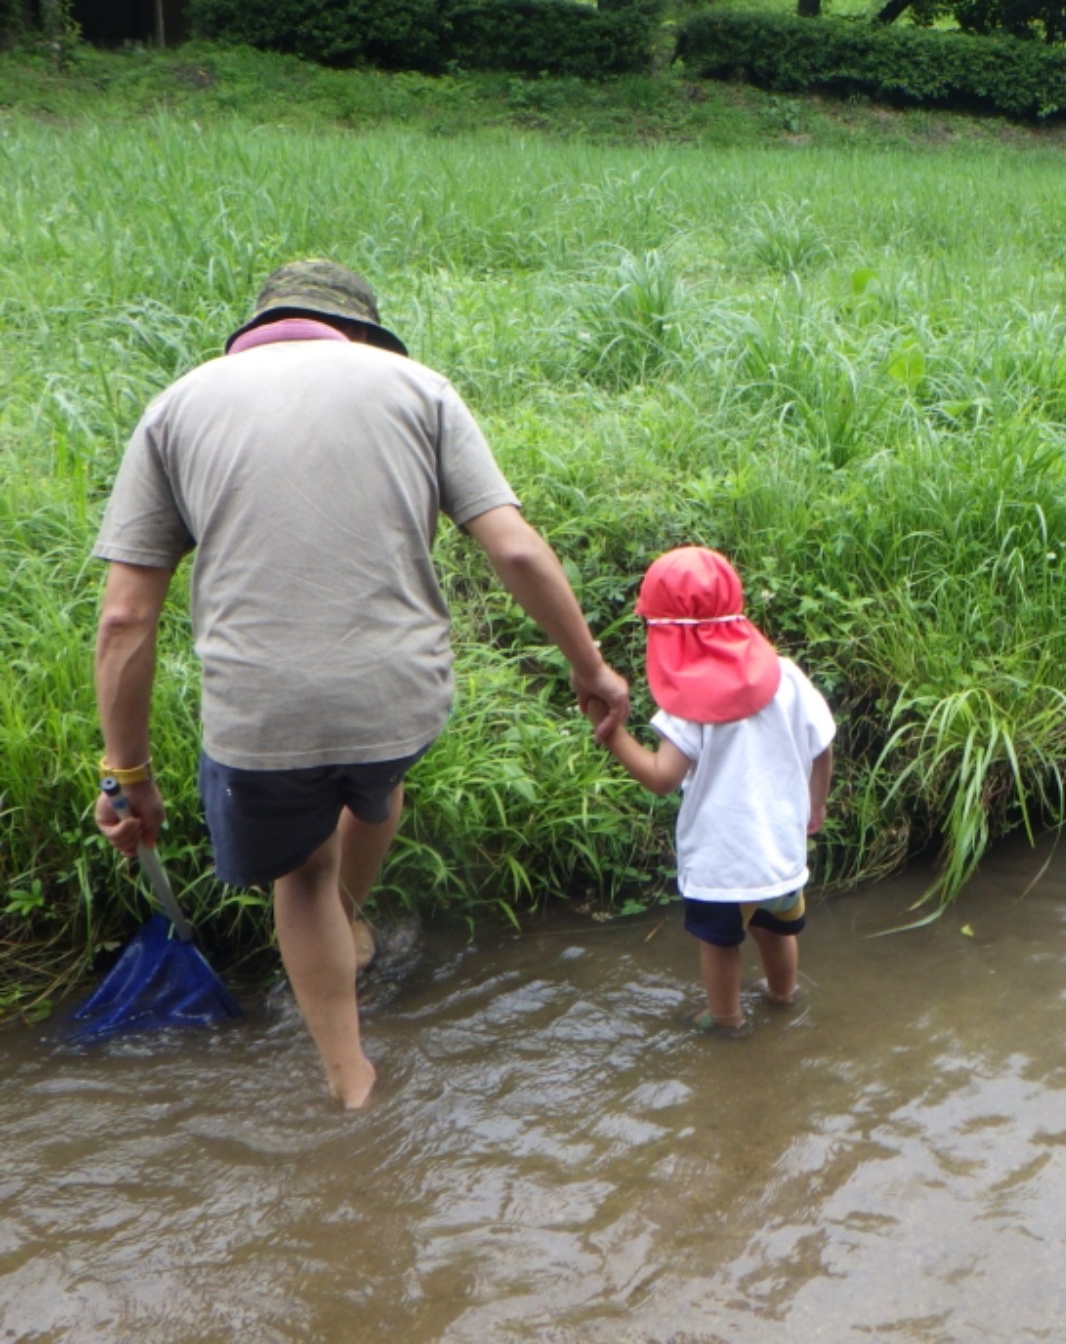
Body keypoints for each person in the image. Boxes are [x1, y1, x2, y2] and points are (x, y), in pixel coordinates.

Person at [92, 260, 629, 1109]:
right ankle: (351, 920)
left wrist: (127, 775)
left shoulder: (179, 405)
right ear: (362, 334)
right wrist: (590, 668)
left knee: (299, 873)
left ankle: (350, 1077)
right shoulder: (419, 389)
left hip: (261, 719)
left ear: (253, 332)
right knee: (374, 783)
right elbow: (516, 548)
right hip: (400, 702)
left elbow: (125, 618)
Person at [585, 546, 834, 1035]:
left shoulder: (687, 704)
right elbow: (822, 746)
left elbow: (661, 778)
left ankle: (727, 1021)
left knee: (719, 943)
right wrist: (817, 800)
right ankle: (783, 997)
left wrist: (609, 731)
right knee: (777, 926)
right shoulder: (787, 675)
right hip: (780, 845)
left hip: (722, 861)